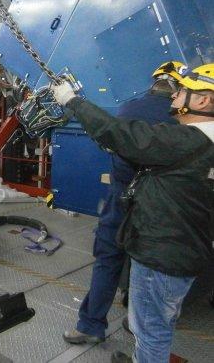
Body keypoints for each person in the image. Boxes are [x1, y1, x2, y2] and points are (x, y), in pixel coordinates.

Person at [51, 64, 214, 363]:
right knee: (154, 321)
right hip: (183, 243)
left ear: (203, 101)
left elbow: (118, 134)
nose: (176, 97)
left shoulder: (185, 139)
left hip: (160, 245)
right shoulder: (195, 139)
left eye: (185, 91)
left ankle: (97, 327)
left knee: (149, 325)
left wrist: (73, 102)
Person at [62, 61, 182, 345]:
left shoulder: (129, 108)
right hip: (158, 204)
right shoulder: (179, 117)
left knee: (108, 260)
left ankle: (90, 325)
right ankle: (138, 323)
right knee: (147, 265)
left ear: (152, 83)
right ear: (178, 88)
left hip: (121, 197)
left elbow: (112, 138)